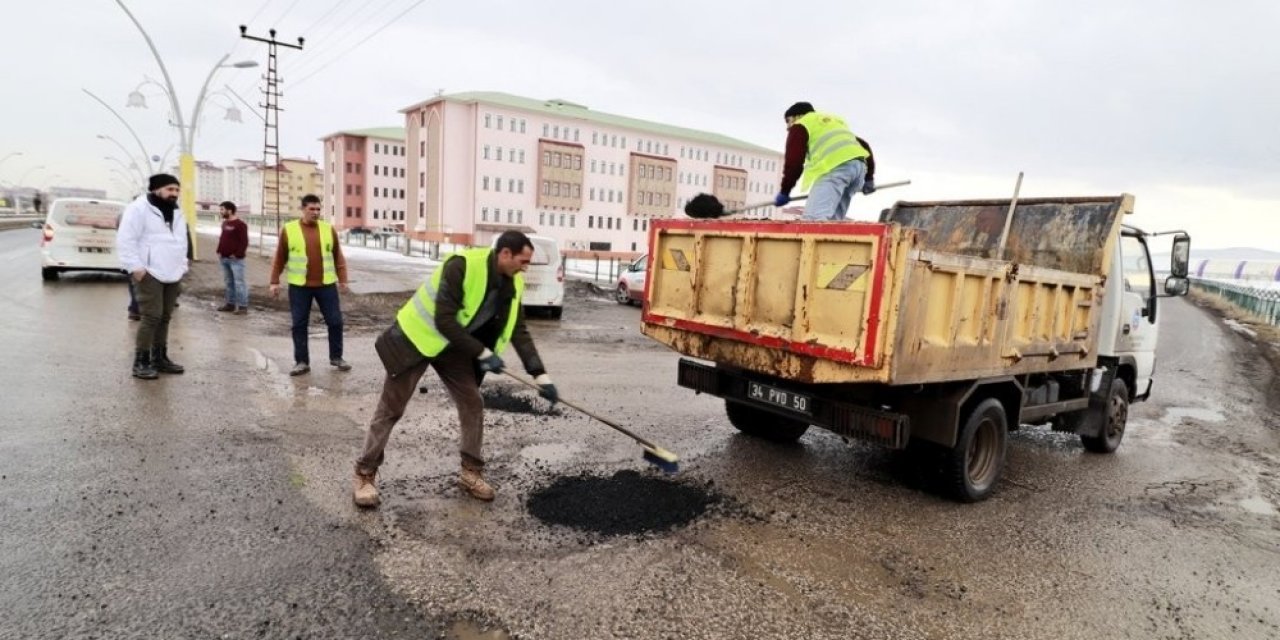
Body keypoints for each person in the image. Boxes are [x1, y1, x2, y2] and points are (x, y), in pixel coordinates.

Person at [352, 230, 559, 506]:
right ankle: (365, 474)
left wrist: (540, 375)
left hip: (453, 346)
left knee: (472, 401)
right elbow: (443, 320)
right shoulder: (462, 265)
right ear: (505, 254)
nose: (526, 267)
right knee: (391, 408)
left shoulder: (514, 283)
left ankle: (470, 472)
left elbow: (519, 330)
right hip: (419, 338)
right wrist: (482, 352)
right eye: (523, 261)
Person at [115, 174, 190, 380]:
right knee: (151, 316)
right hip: (149, 271)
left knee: (165, 317)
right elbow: (126, 239)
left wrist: (182, 264)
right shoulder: (139, 209)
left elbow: (182, 240)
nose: (174, 194)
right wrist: (135, 267)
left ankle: (160, 358)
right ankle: (141, 361)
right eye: (169, 190)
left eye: (176, 190)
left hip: (173, 271)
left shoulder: (178, 212)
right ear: (156, 190)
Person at [269, 194, 351, 376]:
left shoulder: (327, 229)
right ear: (303, 209)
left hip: (326, 284)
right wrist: (274, 281)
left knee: (335, 321)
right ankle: (301, 362)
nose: (315, 213)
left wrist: (343, 279)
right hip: (299, 286)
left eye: (318, 209)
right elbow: (279, 258)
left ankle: (336, 357)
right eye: (311, 209)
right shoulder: (289, 229)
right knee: (299, 324)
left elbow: (338, 256)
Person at [774, 102, 877, 221]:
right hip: (858, 170)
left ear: (797, 116)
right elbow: (863, 146)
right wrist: (869, 178)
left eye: (788, 120)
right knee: (832, 223)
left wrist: (785, 191)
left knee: (813, 221)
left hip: (836, 170)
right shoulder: (832, 122)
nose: (787, 127)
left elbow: (794, 163)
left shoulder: (801, 125)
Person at [215, 200, 250, 314]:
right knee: (228, 282)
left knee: (239, 283)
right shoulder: (225, 223)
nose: (221, 212)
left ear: (229, 210)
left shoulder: (241, 225)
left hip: (236, 260)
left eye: (222, 209)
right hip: (224, 258)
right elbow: (222, 238)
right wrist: (219, 251)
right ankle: (230, 304)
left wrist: (237, 254)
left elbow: (244, 242)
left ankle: (243, 306)